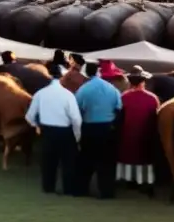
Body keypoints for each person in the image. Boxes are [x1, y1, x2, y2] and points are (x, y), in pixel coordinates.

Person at [26, 63, 82, 195]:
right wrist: (77, 135)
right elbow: (76, 119)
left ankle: (48, 188)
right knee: (68, 163)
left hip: (47, 131)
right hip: (65, 132)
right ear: (62, 76)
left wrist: (37, 126)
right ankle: (68, 189)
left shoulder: (40, 94)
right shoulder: (68, 95)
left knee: (48, 163)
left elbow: (29, 117)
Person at [74, 61, 123, 199]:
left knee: (85, 161)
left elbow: (77, 109)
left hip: (89, 128)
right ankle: (107, 192)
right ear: (98, 72)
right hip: (108, 129)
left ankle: (81, 190)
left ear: (86, 74)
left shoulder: (83, 90)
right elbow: (118, 108)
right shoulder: (112, 89)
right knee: (107, 163)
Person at [116, 67, 160, 194]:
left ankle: (128, 179)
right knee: (144, 157)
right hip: (146, 134)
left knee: (127, 155)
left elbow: (119, 116)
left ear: (130, 82)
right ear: (143, 81)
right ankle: (145, 181)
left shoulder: (123, 97)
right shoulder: (152, 98)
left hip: (127, 134)